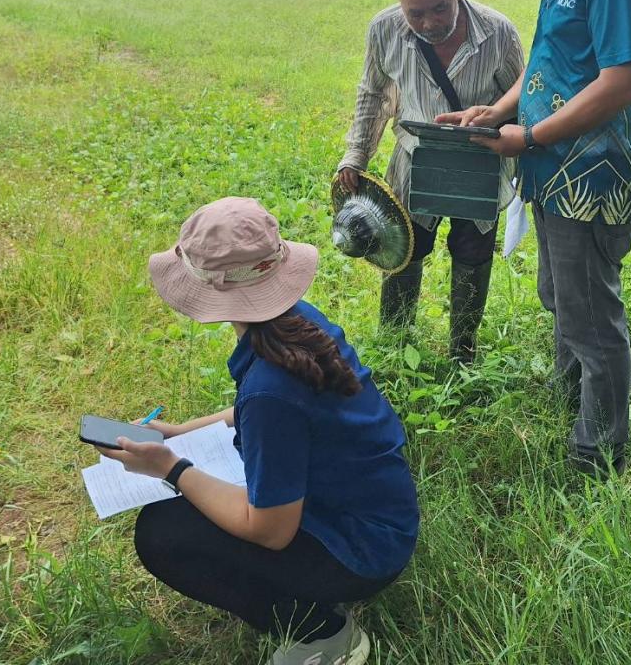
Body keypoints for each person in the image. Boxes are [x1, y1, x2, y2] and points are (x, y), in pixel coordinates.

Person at [100, 197, 419, 665]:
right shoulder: (297, 324)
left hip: (361, 551)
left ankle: (326, 636)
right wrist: (182, 432)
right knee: (190, 504)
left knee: (162, 535)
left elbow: (270, 531)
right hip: (379, 515)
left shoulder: (271, 391)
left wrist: (172, 468)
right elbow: (259, 413)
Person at [439, 0, 631, 475]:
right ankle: (574, 398)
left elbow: (622, 81)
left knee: (591, 311)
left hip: (590, 174)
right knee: (560, 294)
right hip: (553, 169)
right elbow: (549, 65)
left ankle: (599, 453)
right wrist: (500, 112)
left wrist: (529, 137)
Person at [338, 0, 525, 362]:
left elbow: (522, 96)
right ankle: (395, 342)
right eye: (415, 13)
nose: (429, 23)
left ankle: (463, 348)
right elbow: (374, 95)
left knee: (473, 252)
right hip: (413, 159)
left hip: (479, 162)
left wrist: (519, 148)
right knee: (402, 247)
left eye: (440, 9)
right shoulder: (384, 30)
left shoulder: (498, 32)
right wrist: (355, 156)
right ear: (400, 3)